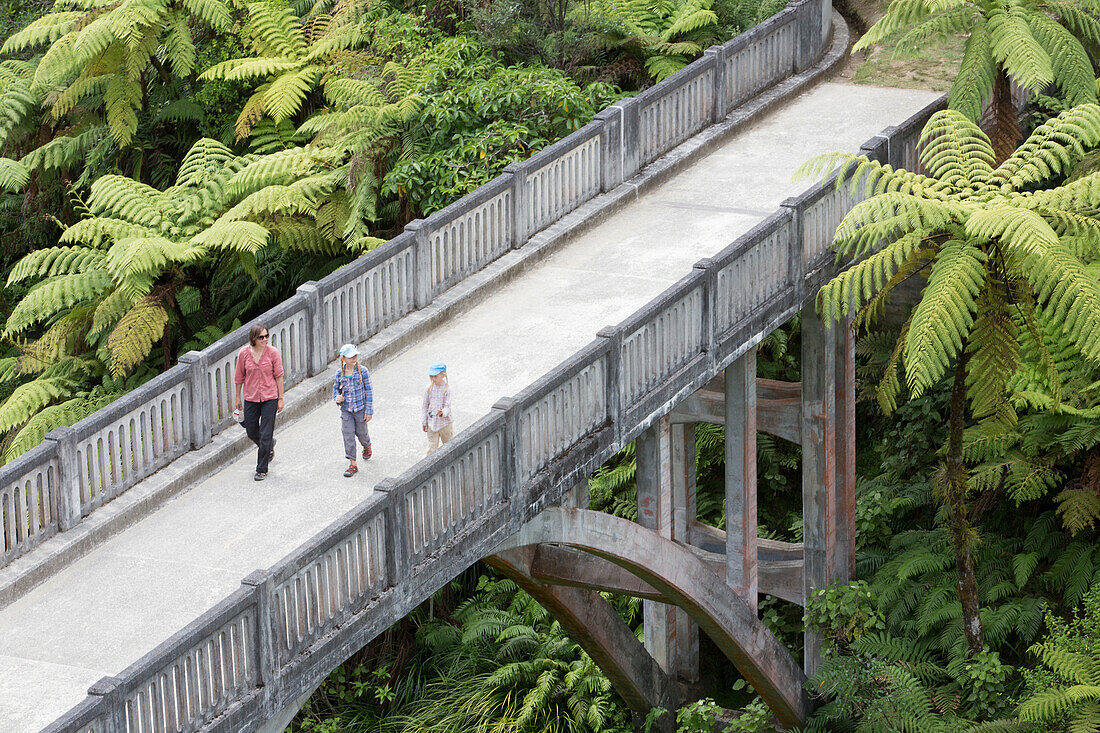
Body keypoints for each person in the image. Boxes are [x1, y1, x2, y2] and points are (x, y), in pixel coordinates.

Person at [234, 323, 284, 481]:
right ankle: (269, 444)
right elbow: (239, 376)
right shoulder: (244, 354)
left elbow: (279, 375)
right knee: (251, 430)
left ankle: (261, 469)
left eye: (266, 336)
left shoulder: (273, 353)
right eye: (261, 337)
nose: (265, 339)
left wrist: (281, 398)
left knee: (265, 433)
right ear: (253, 338)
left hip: (270, 396)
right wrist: (237, 397)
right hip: (251, 397)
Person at [334, 343, 373, 477]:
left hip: (360, 409)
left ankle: (366, 445)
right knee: (348, 435)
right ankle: (352, 463)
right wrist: (337, 398)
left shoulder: (363, 372)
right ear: (343, 358)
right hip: (346, 411)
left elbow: (369, 391)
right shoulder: (339, 374)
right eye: (350, 357)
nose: (353, 359)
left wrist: (369, 410)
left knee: (362, 433)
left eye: (355, 356)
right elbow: (336, 390)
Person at [422, 362, 453, 455]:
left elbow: (448, 406)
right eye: (431, 376)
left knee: (449, 446)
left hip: (445, 424)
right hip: (432, 423)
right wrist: (424, 422)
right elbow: (425, 406)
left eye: (435, 376)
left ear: (443, 375)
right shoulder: (428, 389)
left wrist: (443, 412)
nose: (433, 379)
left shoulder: (447, 389)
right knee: (431, 448)